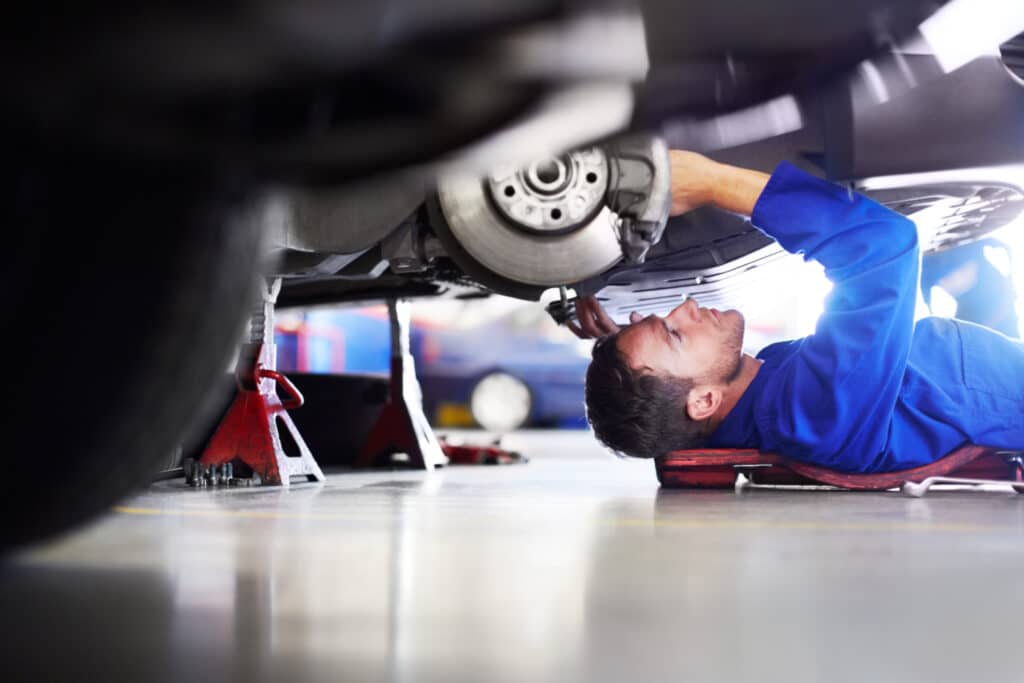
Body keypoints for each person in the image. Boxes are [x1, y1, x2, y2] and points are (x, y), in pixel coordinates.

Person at [575, 151, 1024, 473]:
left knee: (974, 269)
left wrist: (623, 340)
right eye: (676, 334)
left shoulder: (764, 395)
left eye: (666, 318)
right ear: (704, 401)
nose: (687, 306)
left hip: (993, 372)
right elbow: (884, 246)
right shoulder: (814, 412)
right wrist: (713, 182)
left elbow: (662, 402)